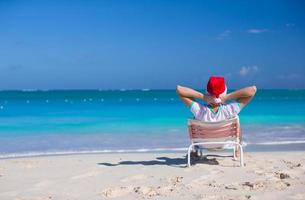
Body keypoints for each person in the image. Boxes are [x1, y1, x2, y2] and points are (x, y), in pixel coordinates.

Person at [176, 76, 257, 157]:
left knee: (194, 120)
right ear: (224, 92)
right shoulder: (230, 110)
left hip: (203, 144)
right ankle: (237, 150)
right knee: (237, 122)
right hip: (224, 144)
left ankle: (194, 151)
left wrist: (203, 97)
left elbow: (179, 89)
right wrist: (227, 97)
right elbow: (253, 90)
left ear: (207, 93)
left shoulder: (199, 110)